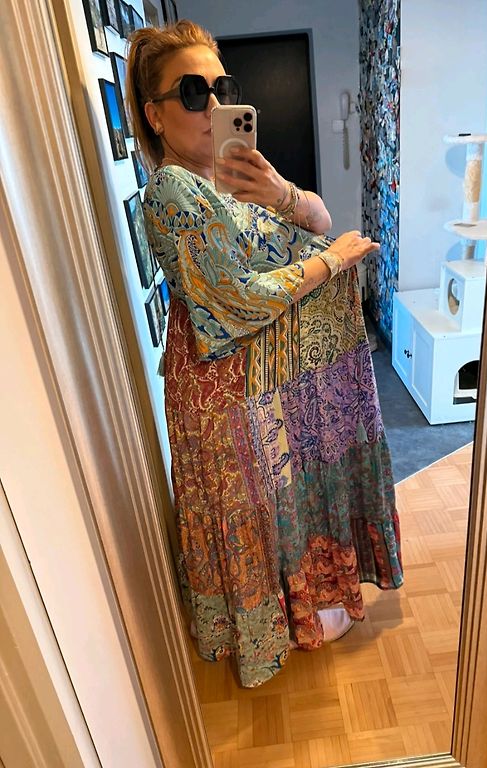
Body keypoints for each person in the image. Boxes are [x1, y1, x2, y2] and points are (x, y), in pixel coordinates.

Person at [126, 19, 403, 689]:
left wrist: (280, 192)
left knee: (281, 499)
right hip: (224, 386)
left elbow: (318, 221)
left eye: (221, 88)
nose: (211, 105)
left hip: (263, 379)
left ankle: (298, 604)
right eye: (192, 92)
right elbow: (236, 301)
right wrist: (333, 263)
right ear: (155, 115)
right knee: (251, 506)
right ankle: (263, 627)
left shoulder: (230, 176)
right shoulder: (172, 189)